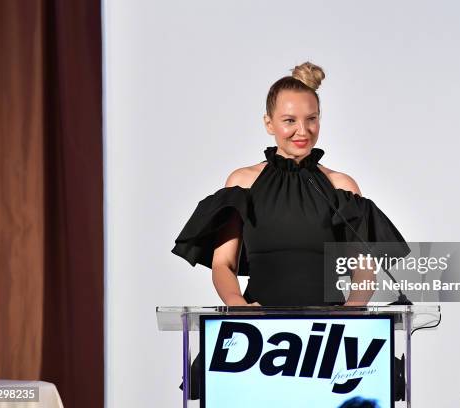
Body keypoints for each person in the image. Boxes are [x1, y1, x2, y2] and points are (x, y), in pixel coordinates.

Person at [172, 61, 410, 401]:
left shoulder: (341, 186)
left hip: (328, 340)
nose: (303, 130)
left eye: (311, 119)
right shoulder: (243, 182)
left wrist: (353, 308)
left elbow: (364, 273)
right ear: (268, 124)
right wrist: (237, 305)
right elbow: (223, 264)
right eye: (290, 120)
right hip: (258, 340)